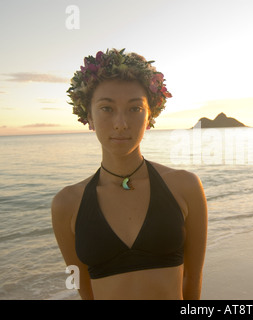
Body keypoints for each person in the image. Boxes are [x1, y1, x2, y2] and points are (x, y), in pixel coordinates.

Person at [52, 49, 208, 300]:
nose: (121, 123)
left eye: (135, 109)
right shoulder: (67, 203)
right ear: (88, 116)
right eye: (106, 108)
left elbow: (193, 279)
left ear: (150, 116)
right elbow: (84, 288)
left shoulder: (185, 187)